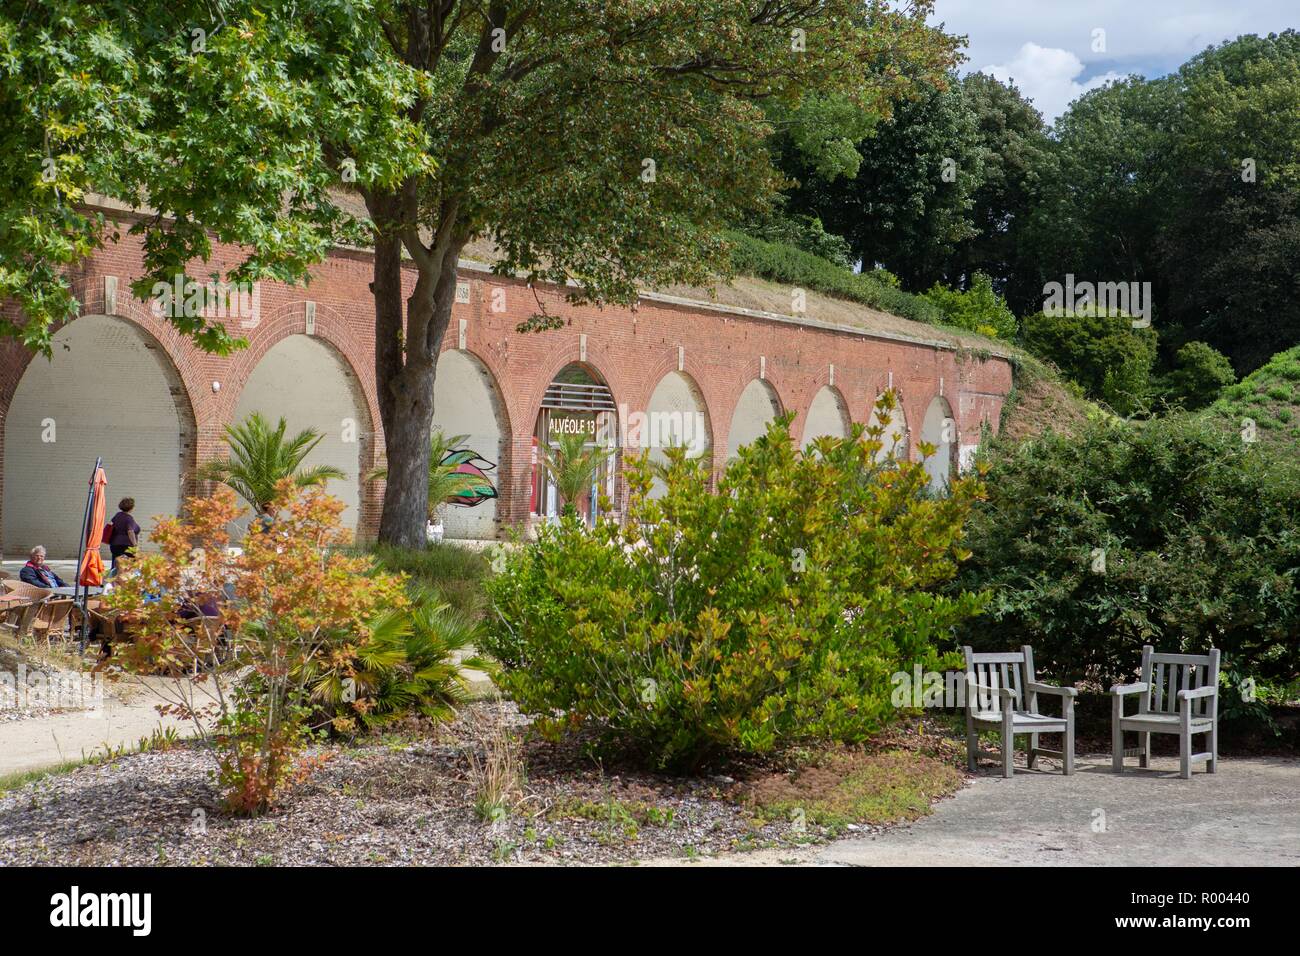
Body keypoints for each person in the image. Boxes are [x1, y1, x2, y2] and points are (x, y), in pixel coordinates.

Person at [107, 497, 141, 573]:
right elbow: (130, 532)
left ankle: (113, 581)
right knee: (133, 564)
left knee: (116, 565)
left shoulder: (117, 515)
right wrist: (135, 544)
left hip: (114, 544)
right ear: (131, 507)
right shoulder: (129, 518)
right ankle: (128, 580)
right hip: (126, 545)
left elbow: (111, 526)